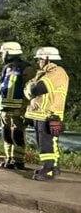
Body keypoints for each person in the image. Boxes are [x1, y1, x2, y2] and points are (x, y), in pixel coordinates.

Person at [24, 47, 69, 181]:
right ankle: (52, 167)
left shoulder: (57, 72)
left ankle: (49, 169)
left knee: (47, 143)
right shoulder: (42, 73)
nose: (38, 61)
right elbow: (28, 89)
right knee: (44, 142)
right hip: (41, 115)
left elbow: (38, 88)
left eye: (41, 59)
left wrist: (32, 89)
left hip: (51, 114)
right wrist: (31, 89)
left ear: (49, 59)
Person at [0, 41, 31, 169]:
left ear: (10, 53)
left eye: (3, 53)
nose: (2, 55)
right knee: (6, 134)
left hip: (19, 110)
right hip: (5, 109)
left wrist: (28, 111)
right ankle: (9, 158)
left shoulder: (27, 69)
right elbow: (2, 90)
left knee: (18, 134)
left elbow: (30, 92)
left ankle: (19, 160)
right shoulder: (6, 68)